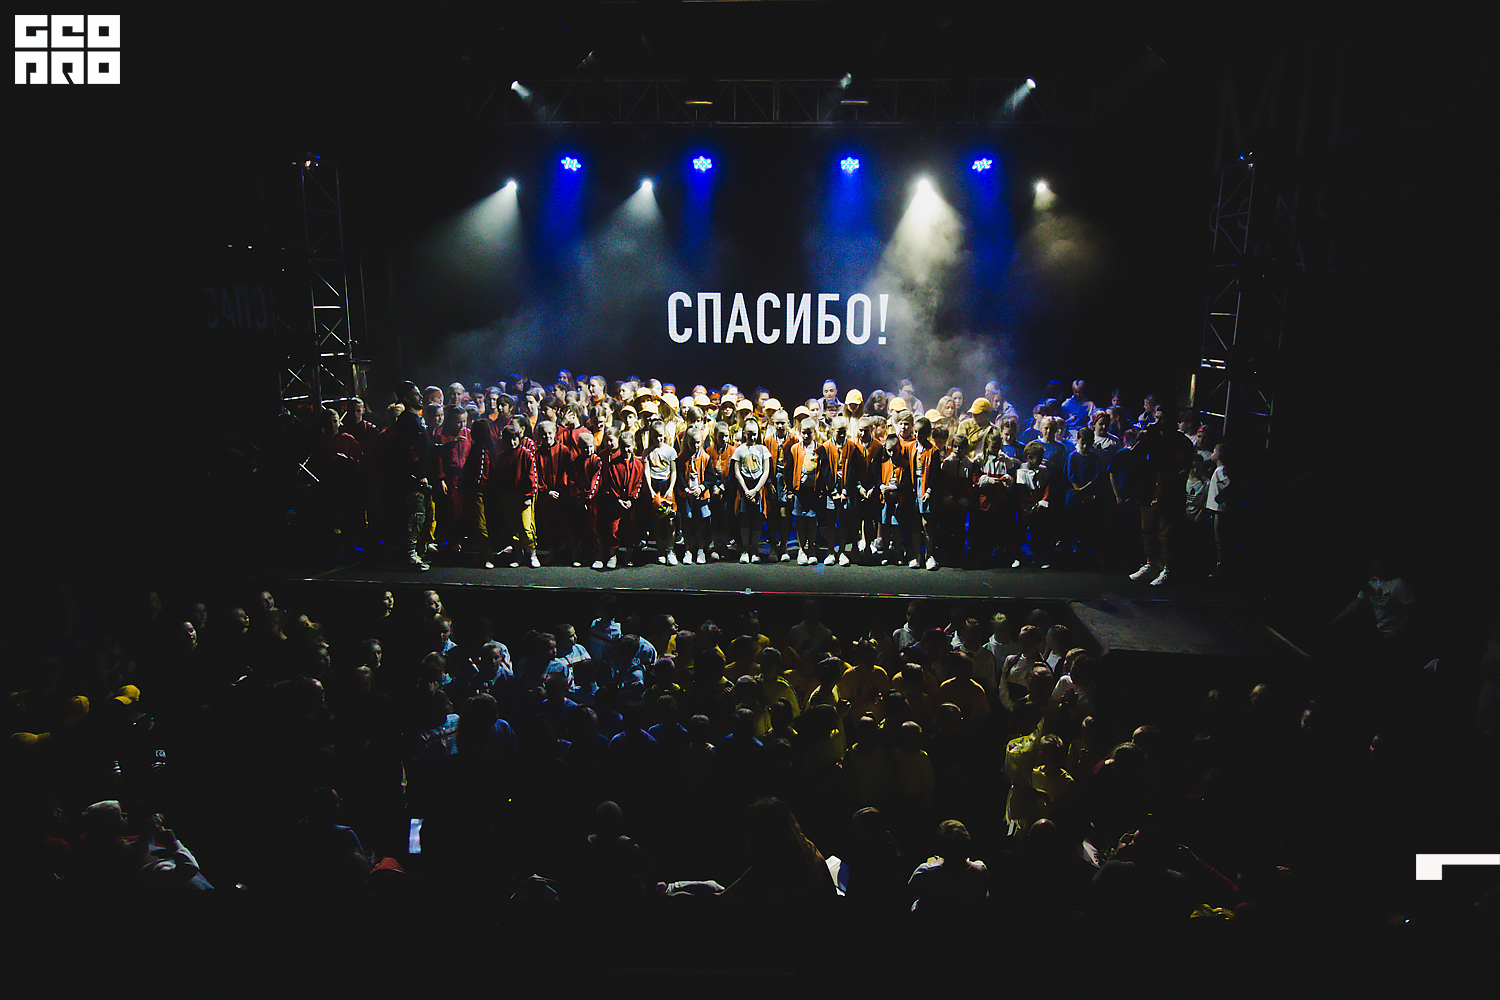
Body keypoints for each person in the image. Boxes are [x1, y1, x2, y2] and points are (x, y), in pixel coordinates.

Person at [731, 418, 772, 563]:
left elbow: (766, 472)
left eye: (754, 434)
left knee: (756, 519)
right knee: (744, 519)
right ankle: (745, 549)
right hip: (745, 488)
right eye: (749, 434)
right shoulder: (739, 450)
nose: (752, 437)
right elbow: (737, 472)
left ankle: (754, 549)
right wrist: (746, 489)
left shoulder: (763, 449)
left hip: (757, 488)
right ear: (744, 433)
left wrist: (755, 490)